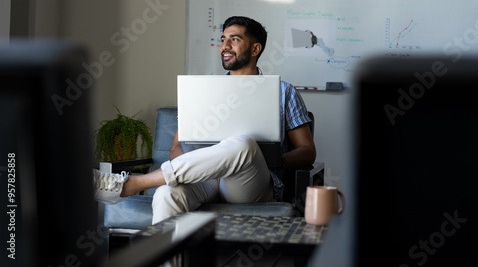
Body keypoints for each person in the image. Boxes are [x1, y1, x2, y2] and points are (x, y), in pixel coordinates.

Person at [94, 16, 316, 224]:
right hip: (204, 180)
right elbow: (176, 148)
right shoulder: (202, 91)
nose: (224, 46)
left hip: (249, 183)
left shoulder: (283, 92)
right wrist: (198, 166)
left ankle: (135, 183)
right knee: (165, 194)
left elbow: (307, 150)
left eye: (234, 39)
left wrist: (277, 158)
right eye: (223, 40)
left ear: (255, 48)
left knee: (242, 145)